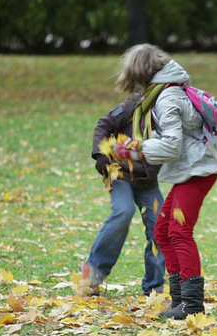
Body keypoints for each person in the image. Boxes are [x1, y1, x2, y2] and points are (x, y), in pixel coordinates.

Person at [112, 43, 217, 320]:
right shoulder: (166, 92)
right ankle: (179, 301)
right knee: (163, 231)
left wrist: (134, 151)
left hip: (198, 170)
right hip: (192, 169)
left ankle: (192, 305)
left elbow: (172, 147)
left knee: (179, 231)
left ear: (139, 72)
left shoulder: (167, 98)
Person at [81, 92, 166, 296]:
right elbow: (104, 124)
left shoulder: (171, 117)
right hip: (119, 174)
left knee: (160, 226)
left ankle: (154, 287)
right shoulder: (135, 104)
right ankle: (93, 271)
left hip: (148, 180)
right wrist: (100, 155)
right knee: (123, 211)